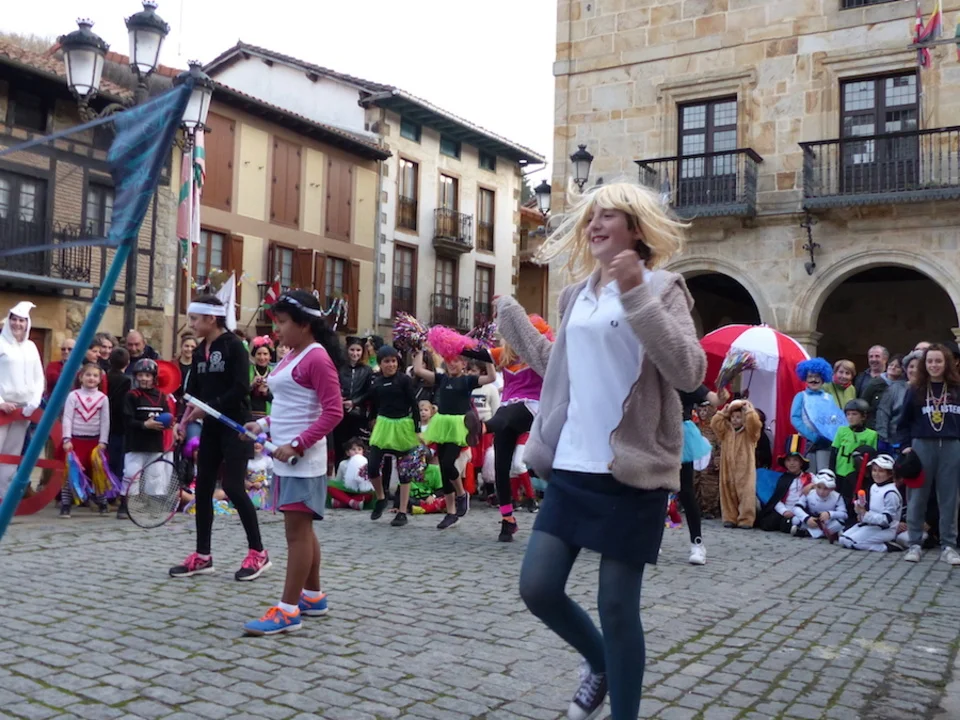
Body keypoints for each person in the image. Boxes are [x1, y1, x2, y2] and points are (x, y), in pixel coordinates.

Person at [495, 181, 706, 720]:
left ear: (635, 227)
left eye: (607, 215)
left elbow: (688, 371)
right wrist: (516, 325)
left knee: (616, 607)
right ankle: (600, 663)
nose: (593, 225)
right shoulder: (575, 296)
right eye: (590, 216)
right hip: (572, 463)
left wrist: (635, 293)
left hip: (633, 470)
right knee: (538, 588)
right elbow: (560, 366)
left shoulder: (663, 288)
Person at [241, 290, 344, 636]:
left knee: (296, 534)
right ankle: (312, 596)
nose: (277, 330)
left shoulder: (317, 358)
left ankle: (287, 611)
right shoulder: (292, 355)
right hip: (285, 456)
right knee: (303, 530)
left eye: (283, 322)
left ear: (304, 324)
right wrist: (262, 425)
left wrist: (298, 444)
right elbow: (291, 405)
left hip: (303, 459)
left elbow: (333, 412)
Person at [172, 296, 269, 581]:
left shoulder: (234, 346)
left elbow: (240, 388)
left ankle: (258, 552)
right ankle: (203, 556)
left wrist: (209, 407)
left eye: (194, 319)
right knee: (203, 489)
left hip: (236, 426)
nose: (191, 325)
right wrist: (183, 421)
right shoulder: (200, 350)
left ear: (211, 319)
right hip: (211, 428)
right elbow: (194, 393)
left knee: (233, 487)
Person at [413, 345, 496, 530]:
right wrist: (419, 349)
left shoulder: (468, 380)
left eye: (456, 361)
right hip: (442, 425)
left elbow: (491, 377)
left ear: (463, 364)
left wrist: (487, 357)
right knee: (444, 468)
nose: (452, 364)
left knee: (448, 462)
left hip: (458, 426)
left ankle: (461, 494)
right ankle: (451, 513)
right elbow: (418, 370)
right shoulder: (441, 378)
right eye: (449, 361)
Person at [484, 327, 551, 543]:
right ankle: (508, 519)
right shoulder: (504, 354)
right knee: (501, 467)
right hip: (507, 409)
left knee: (506, 414)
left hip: (532, 407)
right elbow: (472, 351)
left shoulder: (541, 353)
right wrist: (441, 340)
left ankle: (483, 427)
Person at [896, 344, 960, 565]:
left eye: (938, 361)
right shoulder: (916, 389)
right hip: (921, 445)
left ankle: (949, 545)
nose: (934, 365)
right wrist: (906, 446)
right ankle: (914, 543)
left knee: (950, 498)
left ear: (946, 363)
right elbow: (903, 422)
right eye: (930, 361)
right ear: (925, 364)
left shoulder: (956, 388)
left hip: (951, 446)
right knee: (917, 497)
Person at [367, 345, 421, 527]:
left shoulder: (404, 380)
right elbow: (373, 405)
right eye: (386, 361)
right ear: (380, 364)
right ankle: (381, 497)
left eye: (393, 361)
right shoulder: (376, 383)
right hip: (383, 425)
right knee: (373, 466)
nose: (390, 365)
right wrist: (371, 421)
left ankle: (402, 511)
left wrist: (417, 428)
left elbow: (414, 404)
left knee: (404, 470)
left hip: (402, 426)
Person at [0, 302, 44, 499]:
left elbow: (38, 377)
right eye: (15, 319)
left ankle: (4, 499)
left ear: (27, 323)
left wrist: (33, 402)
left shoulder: (31, 347)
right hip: (2, 409)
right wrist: (0, 402)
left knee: (11, 456)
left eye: (22, 320)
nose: (17, 324)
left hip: (22, 411)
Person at [678, 384, 726, 562]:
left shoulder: (685, 380)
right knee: (656, 490)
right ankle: (651, 540)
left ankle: (697, 543)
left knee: (685, 491)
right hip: (656, 435)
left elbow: (714, 399)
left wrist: (721, 395)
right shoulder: (654, 376)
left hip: (680, 436)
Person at [120, 358, 173, 519]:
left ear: (154, 377)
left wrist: (168, 424)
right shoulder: (132, 396)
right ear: (136, 376)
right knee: (131, 474)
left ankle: (153, 505)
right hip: (135, 443)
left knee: (155, 475)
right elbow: (127, 420)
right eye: (141, 375)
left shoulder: (161, 396)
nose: (144, 378)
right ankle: (126, 505)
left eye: (148, 375)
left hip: (155, 444)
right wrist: (144, 425)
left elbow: (167, 416)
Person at [60, 362, 110, 517]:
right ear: (81, 377)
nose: (91, 378)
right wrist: (66, 438)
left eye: (95, 376)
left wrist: (103, 441)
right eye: (88, 375)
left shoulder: (103, 398)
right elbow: (67, 418)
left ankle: (102, 503)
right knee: (70, 474)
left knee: (98, 473)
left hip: (94, 442)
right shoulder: (73, 396)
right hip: (75, 441)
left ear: (100, 379)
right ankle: (66, 505)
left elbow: (105, 421)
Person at [711, 398, 762, 529]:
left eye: (739, 417)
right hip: (727, 469)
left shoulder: (750, 433)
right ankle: (730, 517)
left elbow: (755, 424)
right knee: (727, 493)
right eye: (733, 417)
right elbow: (715, 424)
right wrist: (723, 412)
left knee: (746, 494)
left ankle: (746, 518)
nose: (735, 420)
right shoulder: (726, 432)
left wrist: (749, 412)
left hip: (745, 471)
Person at [838, 454, 902, 552]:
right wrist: (860, 510)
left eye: (881, 471)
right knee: (843, 539)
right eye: (874, 470)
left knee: (854, 542)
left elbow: (887, 520)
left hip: (886, 529)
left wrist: (865, 514)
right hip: (871, 525)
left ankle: (887, 546)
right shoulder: (874, 487)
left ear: (890, 474)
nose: (876, 474)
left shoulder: (891, 493)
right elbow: (871, 509)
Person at [790, 358, 841, 473]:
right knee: (809, 474)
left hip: (825, 442)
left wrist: (831, 435)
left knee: (824, 472)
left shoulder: (829, 397)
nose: (814, 379)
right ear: (805, 378)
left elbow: (833, 418)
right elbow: (795, 418)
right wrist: (813, 436)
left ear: (823, 378)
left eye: (817, 376)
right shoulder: (801, 396)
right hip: (807, 441)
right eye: (810, 376)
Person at [831, 398, 878, 518]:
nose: (850, 417)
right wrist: (832, 471)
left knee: (853, 499)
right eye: (848, 414)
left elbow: (871, 455)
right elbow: (834, 452)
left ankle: (853, 518)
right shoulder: (841, 431)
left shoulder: (871, 434)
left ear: (863, 416)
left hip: (856, 474)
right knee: (839, 498)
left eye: (854, 414)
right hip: (841, 471)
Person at [755, 437, 814, 533]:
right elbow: (776, 499)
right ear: (785, 463)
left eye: (795, 460)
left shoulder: (809, 477)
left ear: (801, 463)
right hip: (786, 509)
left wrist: (812, 486)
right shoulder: (782, 479)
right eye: (789, 460)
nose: (792, 463)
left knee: (787, 524)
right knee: (768, 523)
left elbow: (823, 484)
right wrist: (784, 511)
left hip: (803, 510)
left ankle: (801, 528)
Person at [334, 336, 373, 465]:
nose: (355, 353)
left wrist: (354, 402)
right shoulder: (340, 368)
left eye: (358, 350)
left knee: (358, 446)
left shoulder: (367, 370)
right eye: (352, 350)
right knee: (340, 445)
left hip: (358, 414)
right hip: (340, 412)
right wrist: (338, 397)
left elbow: (369, 392)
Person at [877, 351, 920, 453]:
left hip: (920, 444)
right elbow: (883, 414)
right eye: (911, 367)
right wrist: (883, 439)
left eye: (918, 367)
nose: (914, 370)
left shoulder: (930, 391)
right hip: (895, 444)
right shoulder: (894, 388)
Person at [105, 348, 131, 505]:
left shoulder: (105, 377)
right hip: (119, 425)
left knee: (108, 459)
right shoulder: (126, 381)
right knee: (118, 461)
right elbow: (123, 405)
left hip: (106, 423)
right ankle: (113, 494)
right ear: (128, 363)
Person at [791, 470, 846, 541]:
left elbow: (844, 514)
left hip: (827, 522)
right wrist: (807, 519)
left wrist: (829, 514)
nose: (821, 492)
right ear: (815, 485)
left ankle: (807, 533)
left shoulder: (837, 497)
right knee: (795, 520)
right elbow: (796, 508)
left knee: (841, 522)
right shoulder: (809, 493)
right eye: (819, 487)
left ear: (832, 489)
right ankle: (831, 534)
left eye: (826, 488)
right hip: (812, 519)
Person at [249, 336, 274, 421]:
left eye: (265, 354)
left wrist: (266, 393)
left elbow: (279, 398)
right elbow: (240, 393)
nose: (262, 357)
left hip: (269, 417)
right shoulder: (247, 371)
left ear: (270, 356)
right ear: (254, 355)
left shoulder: (274, 372)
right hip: (249, 415)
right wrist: (252, 385)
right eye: (259, 354)